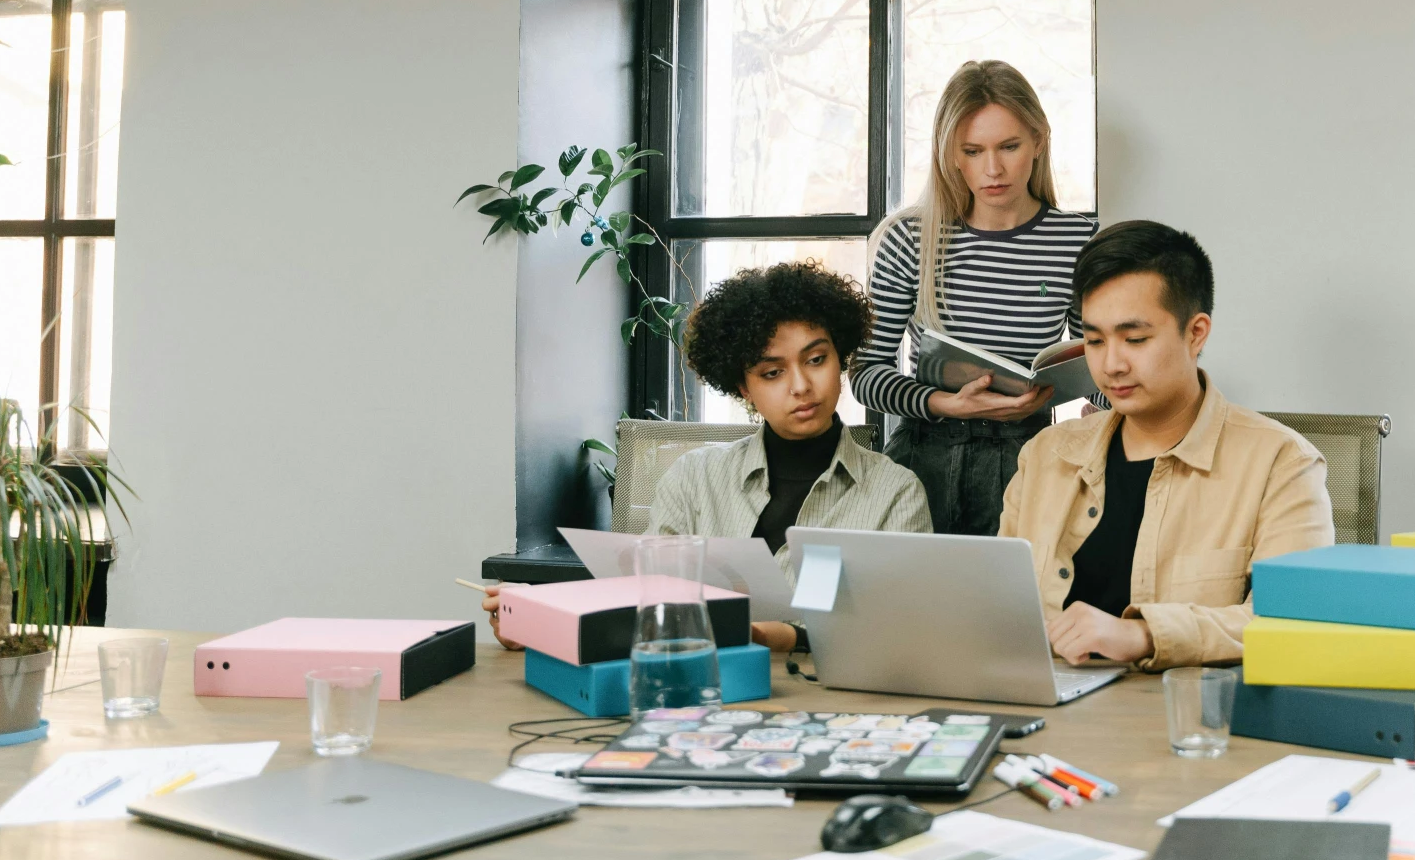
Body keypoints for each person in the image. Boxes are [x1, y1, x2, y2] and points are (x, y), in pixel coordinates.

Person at [487, 261, 929, 652]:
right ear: (743, 387)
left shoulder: (896, 492)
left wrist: (779, 637)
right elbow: (645, 605)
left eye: (816, 359)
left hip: (829, 705)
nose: (800, 386)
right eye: (772, 372)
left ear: (840, 359)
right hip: (694, 694)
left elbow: (903, 634)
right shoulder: (695, 478)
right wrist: (533, 624)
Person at [999, 219, 1334, 671]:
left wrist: (1144, 634)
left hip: (1184, 723)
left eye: (1135, 339)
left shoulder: (1281, 463)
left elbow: (1297, 620)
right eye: (1094, 341)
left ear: (1195, 333)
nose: (1111, 364)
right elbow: (998, 605)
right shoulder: (1045, 456)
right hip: (1041, 712)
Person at [851, 60, 1100, 536]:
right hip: (922, 458)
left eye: (1009, 146)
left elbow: (1096, 365)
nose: (993, 169)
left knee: (1017, 607)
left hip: (1029, 455)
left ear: (1039, 141)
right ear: (951, 155)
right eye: (972, 150)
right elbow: (865, 375)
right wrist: (946, 403)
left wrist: (1109, 406)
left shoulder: (1078, 240)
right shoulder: (909, 238)